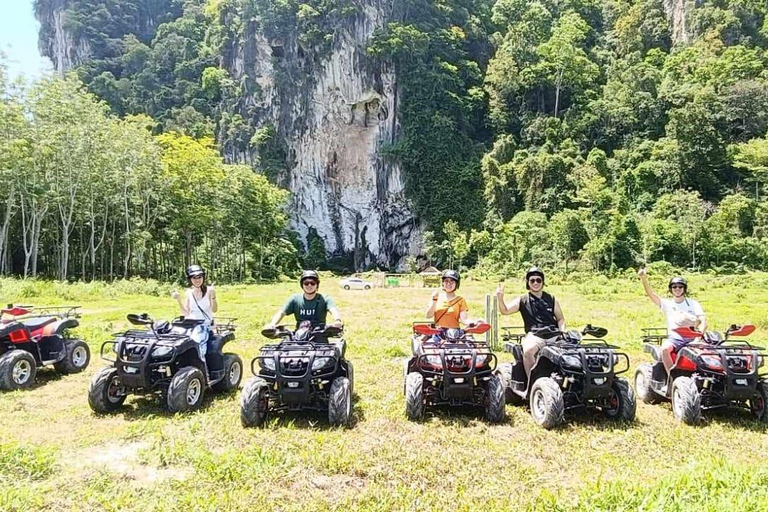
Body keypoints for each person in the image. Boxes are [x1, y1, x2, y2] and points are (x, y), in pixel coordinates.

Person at [496, 266, 566, 379]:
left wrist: (562, 331)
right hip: (535, 335)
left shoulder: (552, 299)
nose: (535, 283)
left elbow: (560, 319)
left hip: (554, 334)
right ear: (528, 283)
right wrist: (500, 298)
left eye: (538, 280)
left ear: (543, 282)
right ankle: (532, 382)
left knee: (573, 352)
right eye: (532, 280)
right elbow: (505, 311)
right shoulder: (522, 300)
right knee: (528, 351)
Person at [638, 268, 706, 378]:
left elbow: (703, 321)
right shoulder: (668, 304)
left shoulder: (693, 303)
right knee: (664, 349)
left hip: (693, 337)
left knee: (709, 355)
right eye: (674, 287)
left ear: (684, 289)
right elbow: (651, 294)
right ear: (671, 289)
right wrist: (643, 279)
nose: (677, 289)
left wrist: (699, 337)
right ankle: (672, 377)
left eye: (680, 286)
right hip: (675, 338)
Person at [171, 264, 218, 366]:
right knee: (173, 337)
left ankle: (201, 365)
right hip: (190, 324)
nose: (197, 280)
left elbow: (214, 310)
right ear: (190, 279)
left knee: (196, 341)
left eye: (200, 277)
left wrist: (214, 296)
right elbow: (186, 312)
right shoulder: (189, 293)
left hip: (204, 324)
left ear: (203, 277)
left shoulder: (209, 291)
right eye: (194, 277)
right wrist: (178, 300)